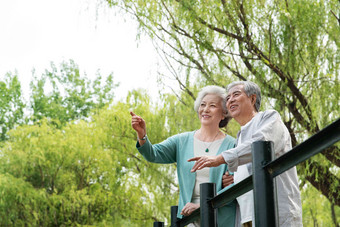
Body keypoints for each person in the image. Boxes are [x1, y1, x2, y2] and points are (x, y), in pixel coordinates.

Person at [189, 81, 303, 227]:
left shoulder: (269, 118)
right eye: (228, 98)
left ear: (252, 98)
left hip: (275, 213)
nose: (230, 100)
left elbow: (259, 144)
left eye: (236, 94)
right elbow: (247, 170)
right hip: (246, 218)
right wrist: (233, 180)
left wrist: (220, 158)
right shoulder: (240, 137)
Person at [130, 85, 236, 227]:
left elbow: (233, 187)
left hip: (221, 217)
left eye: (212, 105)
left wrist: (201, 207)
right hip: (188, 217)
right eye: (202, 105)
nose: (205, 109)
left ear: (223, 113)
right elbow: (152, 154)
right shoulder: (181, 141)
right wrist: (142, 134)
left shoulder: (232, 145)